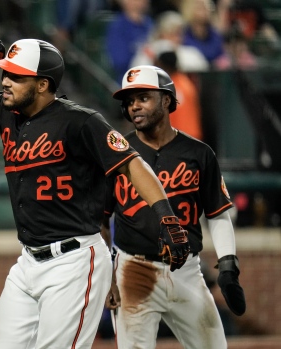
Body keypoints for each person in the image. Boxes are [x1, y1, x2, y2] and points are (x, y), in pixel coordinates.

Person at [0, 35, 190, 348]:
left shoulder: (81, 121)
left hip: (73, 259)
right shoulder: (7, 114)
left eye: (16, 75)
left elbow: (132, 164)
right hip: (27, 261)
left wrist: (167, 216)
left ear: (42, 84)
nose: (6, 81)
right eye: (5, 73)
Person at [104, 64, 246, 348]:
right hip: (134, 269)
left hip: (187, 270)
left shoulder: (198, 153)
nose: (134, 107)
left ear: (166, 100)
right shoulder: (114, 154)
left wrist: (228, 263)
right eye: (129, 101)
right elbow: (98, 219)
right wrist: (107, 276)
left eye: (143, 97)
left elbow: (217, 213)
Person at [105, 0, 154, 82]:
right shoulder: (118, 27)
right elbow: (119, 61)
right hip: (128, 82)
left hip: (153, 79)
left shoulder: (150, 24)